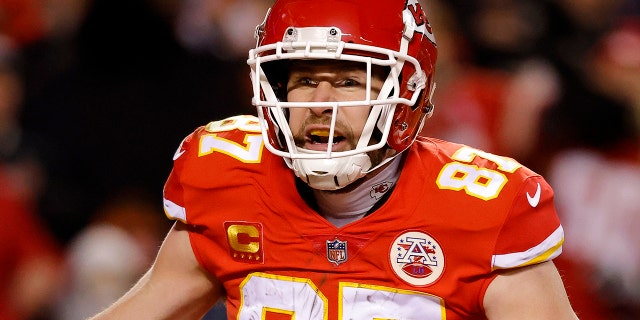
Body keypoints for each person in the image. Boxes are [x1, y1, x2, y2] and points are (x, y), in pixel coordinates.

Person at [89, 0, 578, 319]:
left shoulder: (484, 208)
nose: (319, 102)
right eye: (302, 80)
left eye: (347, 81)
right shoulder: (228, 179)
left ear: (407, 94)